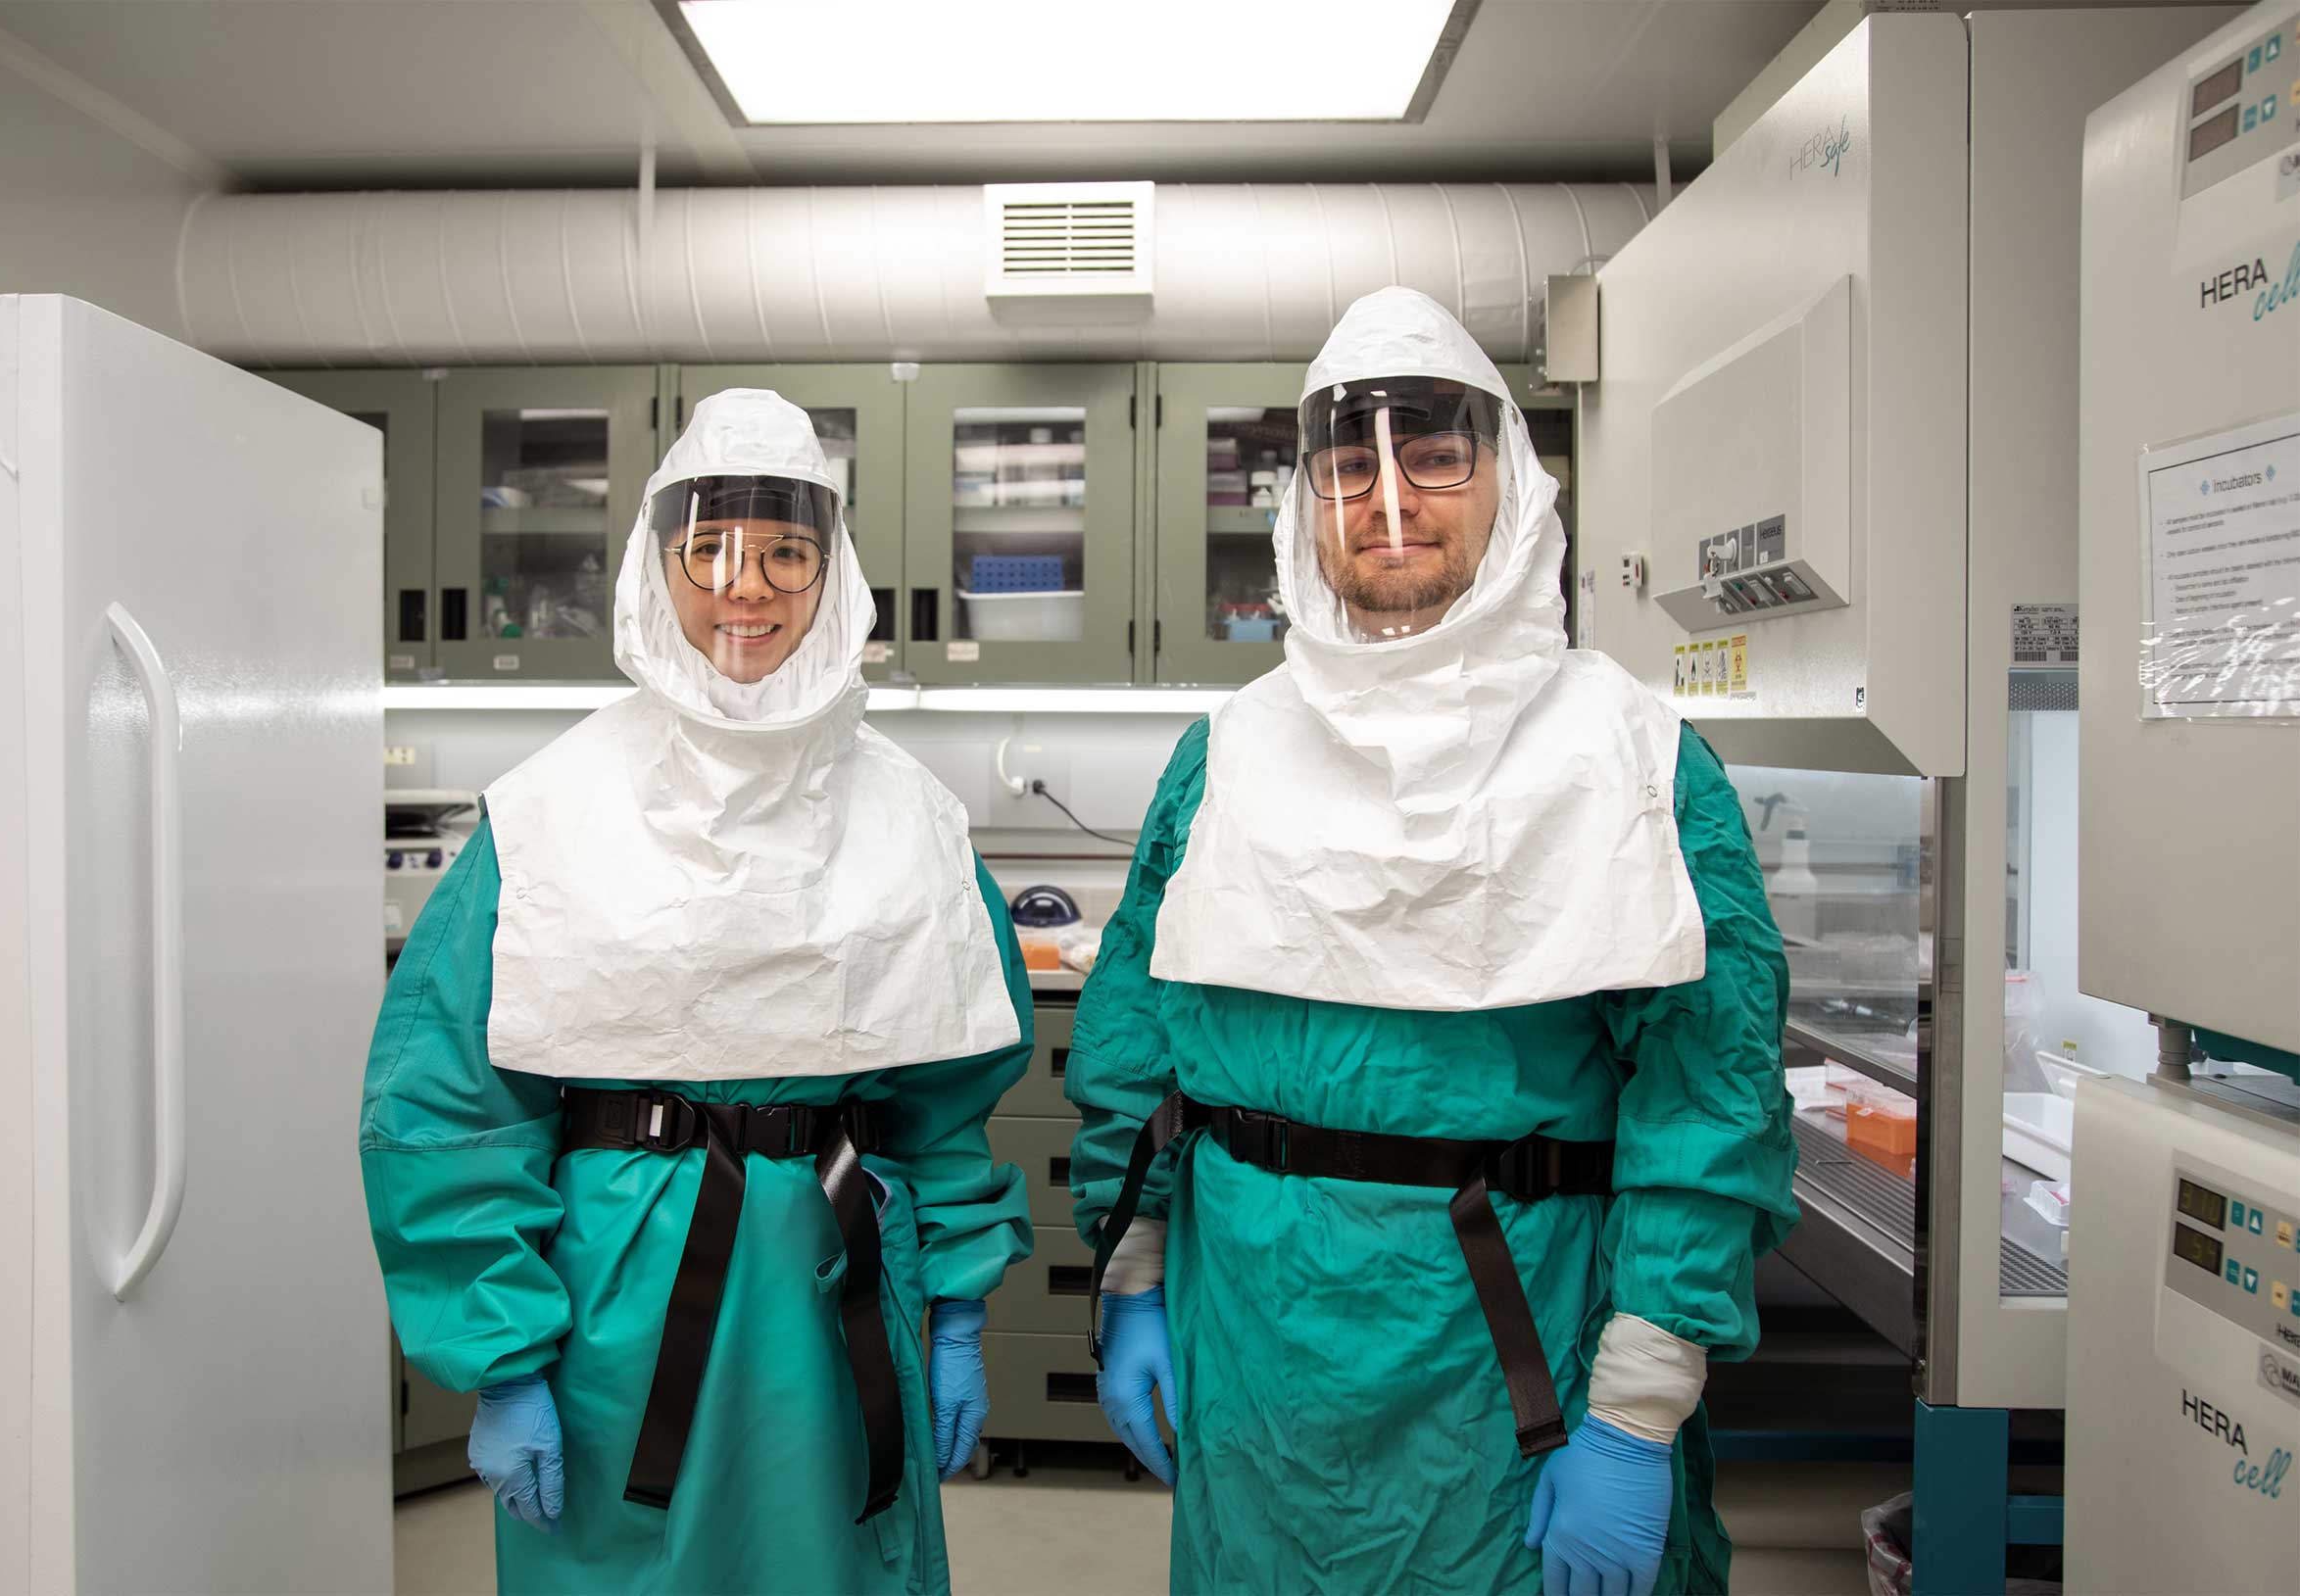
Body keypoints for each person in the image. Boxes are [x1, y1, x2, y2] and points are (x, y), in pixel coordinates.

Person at [1068, 288, 1795, 1596]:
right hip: (1256, 1358)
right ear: (1306, 502)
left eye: (1435, 454)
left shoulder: (1634, 767)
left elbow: (1708, 1104)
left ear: (1506, 476)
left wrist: (1635, 1414)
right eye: (1352, 462)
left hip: (1510, 1384)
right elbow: (1136, 1039)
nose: (1391, 498)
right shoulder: (1223, 761)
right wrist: (1130, 1275)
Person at [361, 389, 1035, 1594]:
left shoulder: (910, 819)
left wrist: (962, 1310)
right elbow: (450, 1104)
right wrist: (505, 1354)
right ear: (654, 570)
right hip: (621, 1296)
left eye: (789, 552)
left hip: (838, 1294)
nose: (749, 586)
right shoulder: (550, 812)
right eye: (709, 550)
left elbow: (946, 1101)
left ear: (835, 578)